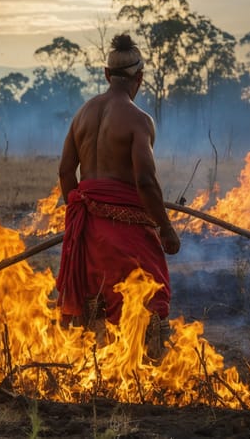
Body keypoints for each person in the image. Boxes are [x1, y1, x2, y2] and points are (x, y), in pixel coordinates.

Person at [56, 33, 180, 347]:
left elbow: (65, 171)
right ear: (139, 77)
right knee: (149, 296)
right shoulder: (140, 120)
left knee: (94, 304)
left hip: (89, 233)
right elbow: (147, 182)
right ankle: (144, 372)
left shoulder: (81, 115)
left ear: (107, 75)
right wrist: (165, 229)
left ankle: (96, 373)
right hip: (125, 235)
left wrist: (80, 212)